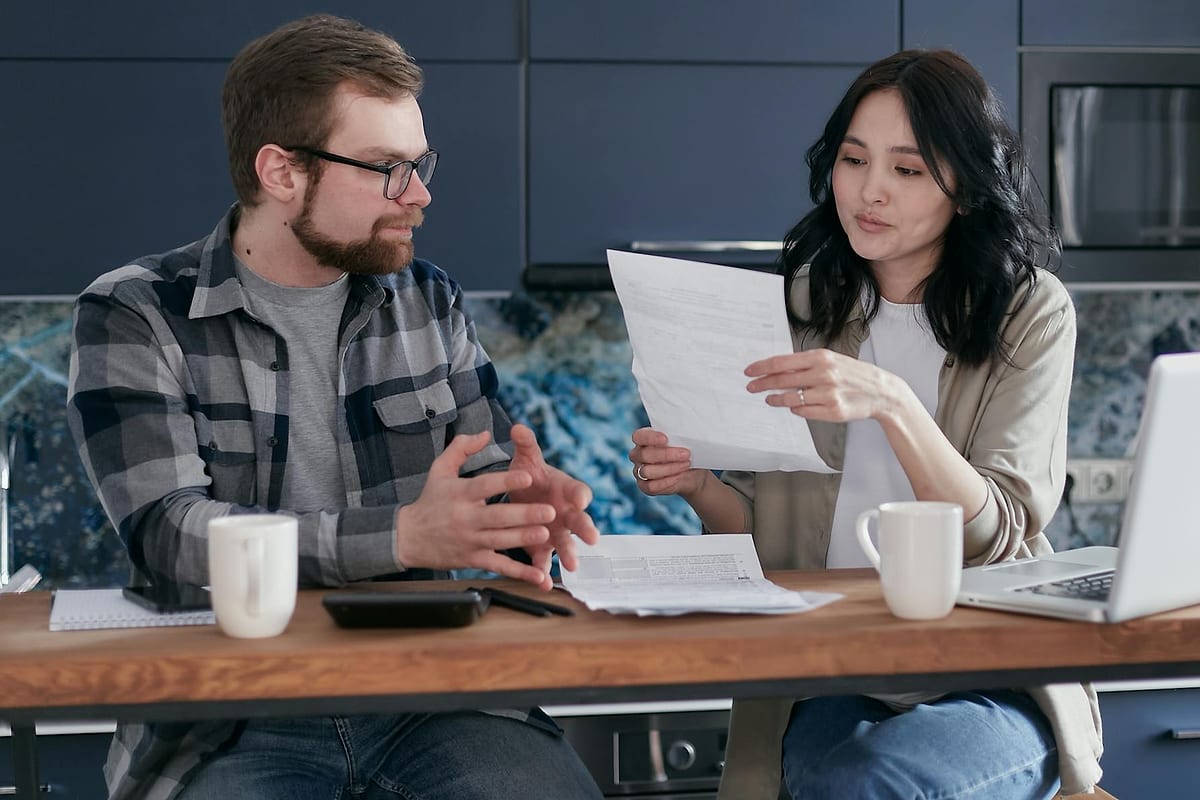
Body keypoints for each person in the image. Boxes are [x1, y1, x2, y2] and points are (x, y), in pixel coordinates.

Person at [66, 14, 603, 800]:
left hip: (437, 697)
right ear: (282, 172)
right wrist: (403, 535)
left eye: (421, 164)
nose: (420, 194)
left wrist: (522, 511)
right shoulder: (136, 313)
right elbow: (170, 538)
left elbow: (475, 493)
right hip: (232, 716)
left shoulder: (429, 300)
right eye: (388, 167)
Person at [628, 49, 1102, 799]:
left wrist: (892, 403)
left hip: (988, 670)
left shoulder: (1028, 312)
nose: (870, 191)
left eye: (908, 171)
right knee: (853, 783)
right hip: (828, 675)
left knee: (877, 783)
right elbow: (769, 543)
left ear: (966, 188)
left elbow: (998, 530)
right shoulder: (796, 308)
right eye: (854, 160)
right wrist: (698, 485)